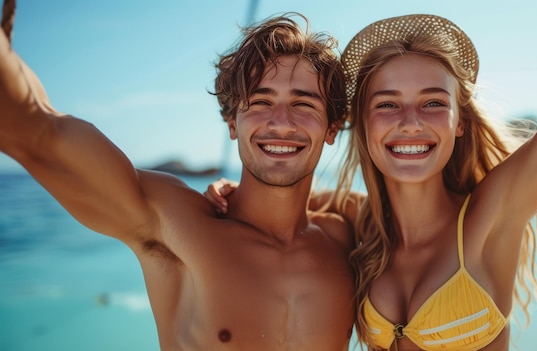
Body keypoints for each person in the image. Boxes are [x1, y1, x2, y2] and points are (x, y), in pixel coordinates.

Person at [207, 13, 537, 351]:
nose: (410, 123)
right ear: (363, 124)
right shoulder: (362, 228)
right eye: (387, 104)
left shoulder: (491, 215)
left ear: (458, 122)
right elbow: (282, 200)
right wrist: (231, 192)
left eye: (432, 103)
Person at [0, 7, 356, 351]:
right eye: (260, 101)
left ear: (332, 128)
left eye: (303, 104)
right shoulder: (178, 225)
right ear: (233, 123)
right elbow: (38, 134)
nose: (280, 122)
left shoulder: (347, 237)